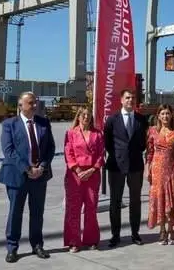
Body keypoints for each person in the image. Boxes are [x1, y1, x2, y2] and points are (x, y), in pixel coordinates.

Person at [0, 92, 55, 263]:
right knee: (16, 212)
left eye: (35, 102)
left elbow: (50, 148)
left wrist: (42, 166)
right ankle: (12, 247)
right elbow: (9, 151)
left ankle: (37, 245)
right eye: (31, 103)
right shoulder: (9, 125)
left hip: (40, 176)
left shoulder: (44, 122)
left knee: (37, 213)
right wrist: (27, 168)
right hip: (17, 176)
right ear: (21, 105)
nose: (35, 105)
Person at [103, 88, 147, 247]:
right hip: (116, 165)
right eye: (127, 98)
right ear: (121, 100)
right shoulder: (112, 120)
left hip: (135, 165)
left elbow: (143, 142)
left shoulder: (142, 120)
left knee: (135, 201)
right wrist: (119, 155)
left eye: (133, 98)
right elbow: (107, 142)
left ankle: (135, 233)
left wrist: (134, 153)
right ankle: (115, 235)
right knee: (115, 201)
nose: (131, 100)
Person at [63, 106, 103, 252]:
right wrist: (78, 170)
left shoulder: (97, 134)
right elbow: (68, 153)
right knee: (73, 209)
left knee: (91, 208)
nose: (86, 117)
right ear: (78, 117)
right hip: (75, 176)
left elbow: (101, 154)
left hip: (93, 175)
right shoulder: (71, 133)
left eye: (88, 115)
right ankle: (74, 241)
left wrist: (93, 169)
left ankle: (91, 239)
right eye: (83, 115)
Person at [145, 104, 174, 244]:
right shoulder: (152, 131)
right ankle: (162, 230)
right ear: (158, 116)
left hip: (172, 168)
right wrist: (147, 168)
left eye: (167, 113)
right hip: (157, 170)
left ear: (171, 115)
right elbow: (149, 152)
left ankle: (171, 230)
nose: (165, 116)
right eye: (162, 113)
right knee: (159, 199)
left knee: (173, 199)